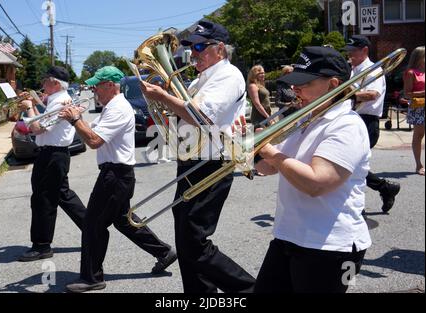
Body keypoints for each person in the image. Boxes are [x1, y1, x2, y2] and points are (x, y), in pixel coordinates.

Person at [235, 46, 371, 293]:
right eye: (294, 83)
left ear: (333, 84)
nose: (295, 90)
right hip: (290, 235)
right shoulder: (305, 119)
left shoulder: (347, 126)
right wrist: (247, 152)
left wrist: (269, 151)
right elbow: (271, 168)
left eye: (304, 83)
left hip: (331, 246)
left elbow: (316, 183)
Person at [140, 19, 256, 293]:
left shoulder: (228, 76)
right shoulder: (202, 79)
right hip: (193, 161)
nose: (194, 53)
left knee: (194, 241)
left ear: (220, 49)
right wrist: (165, 102)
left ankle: (249, 289)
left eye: (201, 47)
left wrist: (164, 98)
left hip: (212, 163)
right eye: (192, 47)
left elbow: (201, 116)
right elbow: (186, 114)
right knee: (185, 237)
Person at [62, 66, 177, 293]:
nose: (93, 89)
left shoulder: (117, 108)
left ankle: (92, 278)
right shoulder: (111, 107)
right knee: (124, 221)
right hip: (116, 174)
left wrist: (75, 119)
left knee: (93, 224)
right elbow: (93, 131)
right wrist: (77, 118)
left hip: (115, 175)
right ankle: (164, 252)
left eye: (97, 85)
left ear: (110, 86)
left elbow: (94, 141)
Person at [17, 66, 87, 262]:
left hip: (52, 155)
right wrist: (33, 103)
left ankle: (41, 246)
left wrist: (29, 107)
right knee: (63, 195)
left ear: (55, 83)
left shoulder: (59, 102)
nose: (42, 84)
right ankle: (93, 227)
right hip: (54, 154)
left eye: (45, 80)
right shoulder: (58, 99)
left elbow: (38, 129)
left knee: (42, 200)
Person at [344, 35, 400, 213]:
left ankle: (358, 208)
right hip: (355, 119)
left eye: (353, 51)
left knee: (349, 165)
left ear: (365, 50)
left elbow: (372, 94)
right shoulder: (354, 69)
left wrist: (344, 96)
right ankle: (384, 188)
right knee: (349, 165)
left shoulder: (373, 70)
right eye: (349, 51)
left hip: (367, 122)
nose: (350, 54)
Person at [403, 46, 425, 176]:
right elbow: (406, 94)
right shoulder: (411, 73)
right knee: (419, 136)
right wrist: (423, 93)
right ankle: (419, 164)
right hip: (419, 107)